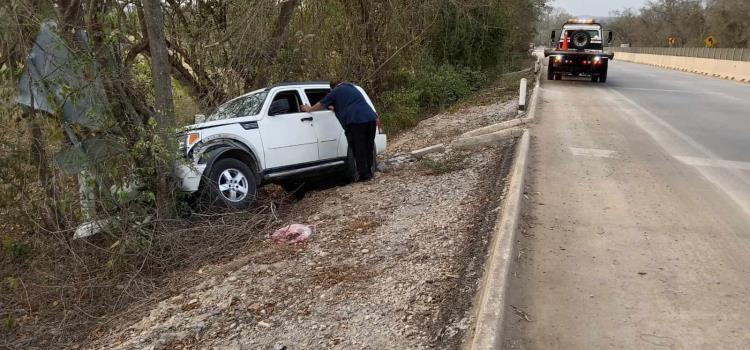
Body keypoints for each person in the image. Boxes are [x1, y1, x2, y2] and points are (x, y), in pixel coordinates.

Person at [301, 81, 378, 181]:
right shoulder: (351, 88)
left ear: (332, 88)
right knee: (368, 146)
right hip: (371, 118)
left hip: (356, 121)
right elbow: (348, 102)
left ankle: (364, 176)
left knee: (359, 148)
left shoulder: (335, 92)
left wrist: (309, 109)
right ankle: (369, 173)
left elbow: (321, 104)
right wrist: (336, 107)